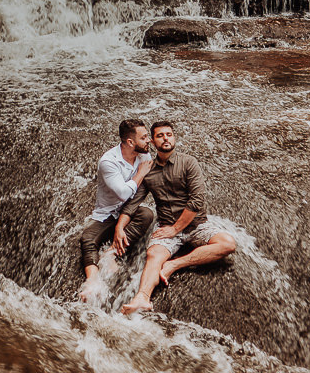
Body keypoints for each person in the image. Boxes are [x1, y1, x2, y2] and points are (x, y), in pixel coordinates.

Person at [116, 121, 236, 315]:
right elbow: (133, 202)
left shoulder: (188, 162)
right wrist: (119, 228)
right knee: (153, 255)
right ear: (153, 142)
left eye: (169, 134)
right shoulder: (148, 170)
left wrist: (176, 229)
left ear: (174, 137)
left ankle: (174, 264)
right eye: (160, 135)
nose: (166, 138)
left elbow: (196, 201)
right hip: (166, 227)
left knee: (228, 243)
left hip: (196, 226)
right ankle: (142, 298)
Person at [78, 119, 155, 302]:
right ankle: (92, 279)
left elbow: (136, 197)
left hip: (129, 210)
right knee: (87, 239)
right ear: (130, 142)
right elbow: (122, 193)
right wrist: (140, 173)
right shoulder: (109, 161)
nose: (149, 141)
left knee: (147, 214)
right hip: (107, 213)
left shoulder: (144, 156)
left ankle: (111, 252)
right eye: (144, 138)